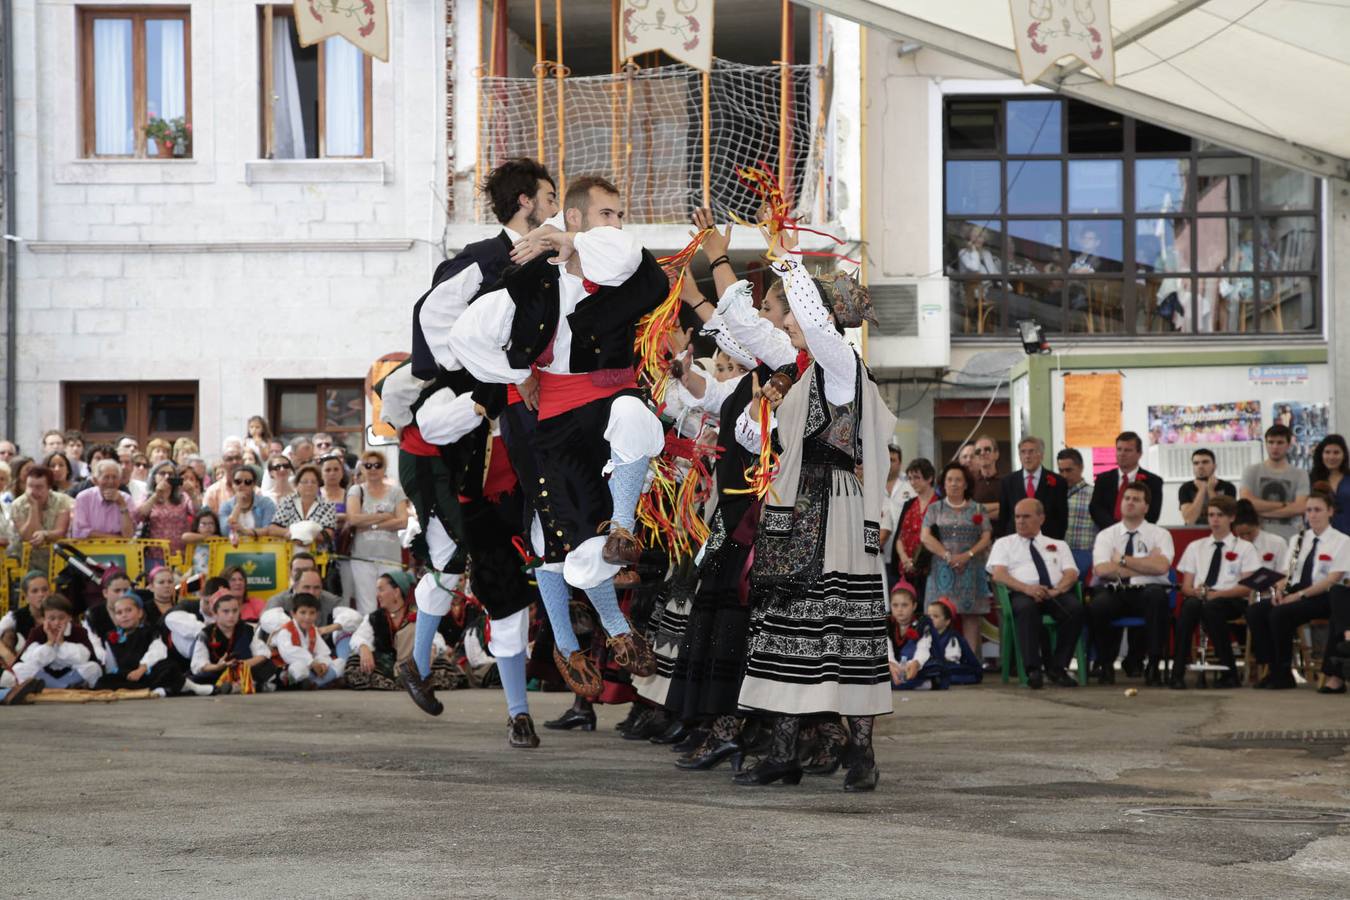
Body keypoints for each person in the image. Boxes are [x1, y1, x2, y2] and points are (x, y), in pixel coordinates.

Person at [444, 173, 664, 705]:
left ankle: (624, 527)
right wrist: (515, 373)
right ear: (574, 214)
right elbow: (464, 337)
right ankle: (598, 635)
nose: (616, 222)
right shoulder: (530, 278)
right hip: (554, 416)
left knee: (637, 418)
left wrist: (570, 242)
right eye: (605, 213)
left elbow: (624, 256)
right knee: (560, 539)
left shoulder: (622, 262)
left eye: (618, 214)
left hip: (610, 397)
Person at [731, 223, 894, 793]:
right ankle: (782, 753)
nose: (786, 324)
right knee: (785, 630)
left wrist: (791, 262)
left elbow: (815, 324)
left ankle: (863, 755)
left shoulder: (843, 369)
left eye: (793, 315)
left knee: (841, 631)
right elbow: (756, 438)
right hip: (798, 514)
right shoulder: (804, 378)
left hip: (837, 513)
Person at [1249, 488, 1350, 691]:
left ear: (1330, 512)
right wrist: (1279, 590)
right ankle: (1272, 666)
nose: (1312, 514)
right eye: (1309, 510)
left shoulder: (1342, 541)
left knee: (1280, 614)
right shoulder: (1298, 539)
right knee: (1256, 611)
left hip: (1324, 597)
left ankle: (1283, 673)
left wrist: (1298, 596)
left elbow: (1332, 580)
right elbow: (1287, 573)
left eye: (1318, 510)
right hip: (1296, 593)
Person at [986, 498, 1084, 689]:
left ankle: (1058, 667)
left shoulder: (1059, 544)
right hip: (1022, 592)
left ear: (1041, 518)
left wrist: (1056, 591)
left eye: (1026, 516)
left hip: (1053, 592)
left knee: (1075, 610)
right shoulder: (1004, 543)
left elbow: (1071, 573)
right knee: (1027, 609)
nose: (1020, 521)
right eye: (1017, 517)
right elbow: (999, 575)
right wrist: (1027, 589)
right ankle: (1033, 669)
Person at [1089, 481, 1175, 685]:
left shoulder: (1160, 534)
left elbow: (1162, 567)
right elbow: (1101, 570)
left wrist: (1122, 559)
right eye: (1127, 498)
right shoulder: (1106, 535)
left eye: (1136, 499)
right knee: (1097, 605)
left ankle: (1153, 664)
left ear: (1146, 507)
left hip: (1148, 591)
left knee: (1156, 598)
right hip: (1117, 591)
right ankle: (1105, 664)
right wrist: (1146, 563)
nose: (1130, 503)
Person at [1170, 495, 1259, 689]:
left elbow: (1246, 587)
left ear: (1231, 518)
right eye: (1211, 515)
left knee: (1211, 608)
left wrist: (1216, 595)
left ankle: (1230, 672)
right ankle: (1177, 673)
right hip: (1202, 596)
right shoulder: (1196, 547)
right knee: (1190, 606)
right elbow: (1185, 587)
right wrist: (1198, 593)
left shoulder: (1245, 548)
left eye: (1220, 515)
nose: (1215, 520)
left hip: (1231, 599)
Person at [920, 462, 993, 661]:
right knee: (937, 615)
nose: (954, 484)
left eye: (958, 480)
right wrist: (947, 555)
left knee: (971, 617)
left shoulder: (978, 508)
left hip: (972, 567)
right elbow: (925, 536)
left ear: (966, 484)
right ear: (943, 484)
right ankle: (935, 659)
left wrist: (967, 555)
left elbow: (986, 537)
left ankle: (967, 661)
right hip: (941, 569)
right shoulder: (935, 508)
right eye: (949, 480)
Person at [346, 571, 463, 693]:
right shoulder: (375, 617)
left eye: (381, 589)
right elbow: (359, 636)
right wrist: (363, 647)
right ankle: (401, 684)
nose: (378, 595)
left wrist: (431, 648)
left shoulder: (417, 615)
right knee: (353, 663)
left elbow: (436, 638)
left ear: (396, 592)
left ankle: (406, 682)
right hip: (384, 669)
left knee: (444, 665)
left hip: (413, 667)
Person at [344, 451, 408, 615]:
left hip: (390, 556)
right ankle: (368, 639)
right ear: (362, 468)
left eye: (377, 465)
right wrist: (385, 517)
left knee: (394, 604)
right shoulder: (356, 490)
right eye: (368, 465)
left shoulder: (396, 492)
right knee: (367, 606)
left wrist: (371, 524)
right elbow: (353, 519)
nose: (373, 469)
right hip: (362, 556)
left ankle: (392, 639)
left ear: (384, 468)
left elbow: (403, 521)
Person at [3, 594, 101, 690]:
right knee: (19, 668)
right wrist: (49, 643)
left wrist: (62, 643)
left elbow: (85, 658)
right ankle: (63, 688)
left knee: (93, 668)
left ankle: (60, 686)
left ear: (69, 618)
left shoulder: (78, 631)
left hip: (71, 675)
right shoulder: (37, 632)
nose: (56, 623)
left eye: (61, 618)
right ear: (43, 619)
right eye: (51, 618)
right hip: (45, 677)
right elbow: (29, 660)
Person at [188, 593, 275, 694]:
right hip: (218, 672)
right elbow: (199, 665)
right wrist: (218, 667)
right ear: (215, 613)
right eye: (226, 611)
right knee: (198, 678)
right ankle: (244, 686)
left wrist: (241, 665)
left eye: (235, 611)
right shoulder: (206, 633)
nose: (231, 615)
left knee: (268, 666)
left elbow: (263, 654)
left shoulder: (246, 629)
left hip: (244, 670)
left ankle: (237, 685)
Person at [1240, 424, 1310, 541]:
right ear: (1265, 444)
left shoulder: (1300, 474)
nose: (1275, 447)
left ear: (1288, 445)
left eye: (1280, 442)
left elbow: (1300, 507)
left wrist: (1262, 512)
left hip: (1292, 538)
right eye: (1271, 442)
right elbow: (1247, 503)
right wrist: (1285, 505)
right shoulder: (1251, 471)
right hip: (1258, 537)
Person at [996, 436, 1067, 540]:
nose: (1027, 456)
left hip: (1046, 540)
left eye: (1031, 451)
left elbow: (1062, 518)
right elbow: (1004, 517)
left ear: (1041, 455)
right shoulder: (1008, 482)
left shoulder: (1058, 482)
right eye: (1023, 452)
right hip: (1015, 541)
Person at [1090, 432, 1165, 529]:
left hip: (1140, 534)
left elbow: (1153, 514)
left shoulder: (1153, 481)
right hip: (1108, 533)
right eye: (1119, 449)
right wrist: (1116, 529)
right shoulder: (1103, 479)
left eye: (1127, 450)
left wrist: (1130, 528)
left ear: (1139, 454)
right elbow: (1096, 508)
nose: (1122, 454)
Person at [10, 465, 74, 576]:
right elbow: (29, 537)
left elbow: (60, 531)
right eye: (30, 486)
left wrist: (45, 534)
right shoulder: (17, 505)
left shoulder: (62, 501)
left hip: (57, 562)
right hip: (26, 562)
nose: (33, 491)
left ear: (49, 487)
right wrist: (34, 508)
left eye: (39, 487)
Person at [270, 594, 342, 689]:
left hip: (313, 668)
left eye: (312, 613)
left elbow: (322, 652)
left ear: (317, 614)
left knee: (341, 662)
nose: (307, 617)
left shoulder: (313, 630)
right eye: (303, 612)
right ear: (293, 614)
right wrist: (311, 663)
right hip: (288, 667)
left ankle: (316, 683)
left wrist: (323, 664)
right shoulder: (285, 630)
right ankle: (323, 681)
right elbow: (288, 653)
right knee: (300, 668)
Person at [890, 459, 939, 598]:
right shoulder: (909, 504)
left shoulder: (939, 504)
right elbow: (899, 537)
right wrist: (905, 559)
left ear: (929, 477)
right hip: (906, 568)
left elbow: (939, 538)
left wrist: (917, 562)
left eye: (917, 477)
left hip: (930, 568)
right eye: (910, 478)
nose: (912, 482)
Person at [263, 554, 349, 626]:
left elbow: (351, 620)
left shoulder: (331, 601)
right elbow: (266, 626)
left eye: (309, 569)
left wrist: (329, 629)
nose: (304, 574)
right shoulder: (278, 601)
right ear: (290, 573)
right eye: (298, 570)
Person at [917, 597, 983, 688]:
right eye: (929, 616)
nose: (931, 619)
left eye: (935, 616)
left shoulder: (952, 637)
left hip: (952, 667)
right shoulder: (927, 635)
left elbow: (950, 659)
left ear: (947, 621)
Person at [266, 463, 336, 546]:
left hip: (318, 553)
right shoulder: (287, 502)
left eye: (313, 482)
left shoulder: (327, 505)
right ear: (297, 485)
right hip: (289, 551)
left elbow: (328, 534)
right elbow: (273, 529)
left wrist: (301, 535)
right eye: (305, 482)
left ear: (318, 486)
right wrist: (293, 533)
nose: (309, 485)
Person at [136, 461, 195, 558]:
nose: (167, 476)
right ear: (154, 477)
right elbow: (139, 515)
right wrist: (156, 495)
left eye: (170, 474)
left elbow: (196, 511)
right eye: (162, 473)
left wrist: (192, 494)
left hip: (180, 554)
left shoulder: (182, 497)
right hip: (154, 554)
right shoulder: (147, 496)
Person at [1056, 448, 1098, 581]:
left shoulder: (1094, 494)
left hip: (1085, 553)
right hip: (1060, 555)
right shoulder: (1055, 494)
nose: (1064, 475)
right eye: (1061, 471)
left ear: (1080, 468)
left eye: (1069, 470)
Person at [71, 459, 135, 539]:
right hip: (88, 549)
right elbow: (80, 532)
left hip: (119, 550)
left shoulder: (126, 499)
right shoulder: (83, 498)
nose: (111, 481)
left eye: (115, 477)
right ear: (95, 481)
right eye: (106, 477)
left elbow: (128, 536)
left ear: (119, 481)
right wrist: (116, 539)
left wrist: (122, 505)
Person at [1178, 449, 1238, 526]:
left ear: (1214, 466)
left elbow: (1226, 517)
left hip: (1221, 531)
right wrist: (1201, 490)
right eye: (1196, 463)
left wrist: (1210, 490)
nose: (1200, 466)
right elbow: (1189, 520)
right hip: (1194, 531)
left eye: (1205, 462)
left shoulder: (1228, 487)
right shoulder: (1185, 488)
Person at [219, 464, 277, 541]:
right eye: (238, 481)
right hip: (233, 550)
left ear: (253, 485)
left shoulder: (266, 503)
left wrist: (245, 531)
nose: (242, 485)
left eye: (248, 482)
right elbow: (225, 532)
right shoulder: (226, 506)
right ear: (233, 484)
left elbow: (269, 530)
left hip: (261, 549)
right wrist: (238, 505)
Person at [1, 571, 50, 658]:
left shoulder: (61, 614)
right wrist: (9, 656)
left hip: (56, 663)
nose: (41, 594)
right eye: (35, 591)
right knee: (7, 635)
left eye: (45, 590)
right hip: (25, 664)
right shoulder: (15, 617)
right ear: (26, 597)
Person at [1309, 434, 1350, 534]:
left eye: (1336, 452)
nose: (1331, 457)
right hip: (1321, 535)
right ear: (1321, 454)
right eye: (1327, 452)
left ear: (1344, 455)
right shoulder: (1311, 479)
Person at [202, 440, 246, 514]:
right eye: (229, 459)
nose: (234, 462)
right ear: (223, 463)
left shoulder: (255, 492)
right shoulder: (212, 493)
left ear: (243, 461)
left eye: (238, 458)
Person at [970, 435, 1002, 524]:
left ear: (996, 454)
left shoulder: (1007, 482)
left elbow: (1009, 511)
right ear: (975, 457)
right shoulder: (970, 484)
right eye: (978, 451)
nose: (982, 453)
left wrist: (980, 513)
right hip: (977, 535)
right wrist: (999, 505)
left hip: (1002, 536)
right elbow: (969, 512)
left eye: (987, 449)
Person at [182, 507, 221, 577]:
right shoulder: (196, 539)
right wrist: (206, 537)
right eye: (203, 524)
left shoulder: (220, 539)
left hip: (215, 575)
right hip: (198, 575)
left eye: (211, 523)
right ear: (197, 527)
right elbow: (184, 537)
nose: (208, 527)